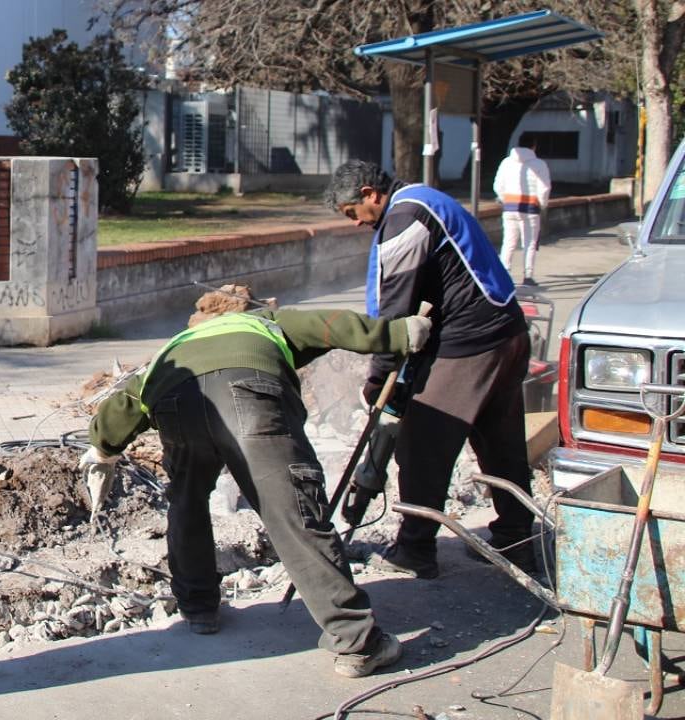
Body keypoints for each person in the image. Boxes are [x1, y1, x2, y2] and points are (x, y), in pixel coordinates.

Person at [81, 301, 433, 678]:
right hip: (246, 392)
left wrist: (103, 449)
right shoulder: (266, 322)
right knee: (291, 509)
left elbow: (127, 402)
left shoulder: (176, 346)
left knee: (187, 502)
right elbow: (328, 325)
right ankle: (356, 641)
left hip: (176, 402)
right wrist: (396, 335)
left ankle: (199, 609)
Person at [324, 159, 536, 580]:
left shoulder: (405, 217)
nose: (354, 224)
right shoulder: (425, 197)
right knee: (501, 442)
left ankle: (415, 548)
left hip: (472, 345)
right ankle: (517, 540)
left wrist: (381, 376)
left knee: (421, 445)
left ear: (370, 194)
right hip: (506, 333)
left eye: (352, 213)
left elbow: (396, 312)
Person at [493, 136, 552, 286]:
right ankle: (528, 276)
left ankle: (504, 273)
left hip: (510, 207)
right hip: (531, 208)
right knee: (529, 243)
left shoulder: (506, 163)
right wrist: (542, 204)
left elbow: (498, 186)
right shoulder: (539, 164)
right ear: (534, 146)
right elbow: (544, 188)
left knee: (508, 242)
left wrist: (504, 199)